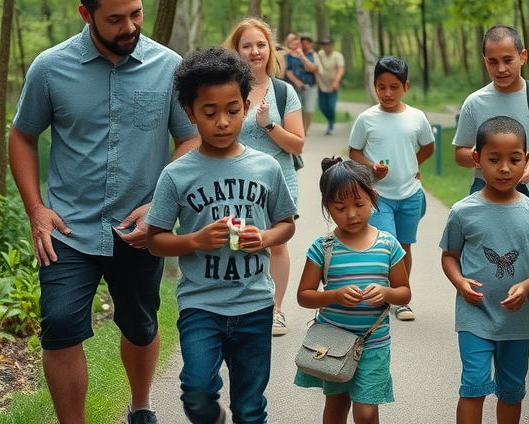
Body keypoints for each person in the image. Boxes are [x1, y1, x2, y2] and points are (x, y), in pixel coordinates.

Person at [8, 0, 199, 424]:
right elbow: (22, 135)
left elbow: (190, 137)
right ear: (85, 13)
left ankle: (140, 407)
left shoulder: (168, 66)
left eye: (136, 12)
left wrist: (160, 204)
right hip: (68, 228)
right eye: (115, 18)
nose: (129, 25)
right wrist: (36, 209)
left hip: (139, 227)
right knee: (58, 326)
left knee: (140, 322)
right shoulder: (50, 69)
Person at [144, 46, 297, 424]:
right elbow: (155, 240)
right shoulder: (177, 174)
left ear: (246, 108)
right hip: (201, 306)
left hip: (255, 304)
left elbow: (286, 224)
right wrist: (195, 240)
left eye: (232, 110)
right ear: (190, 113)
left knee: (249, 406)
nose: (223, 122)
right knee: (196, 391)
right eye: (210, 113)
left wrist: (263, 238)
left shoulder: (265, 167)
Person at [439, 116, 529, 424]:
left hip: (516, 320)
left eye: (514, 159)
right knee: (474, 386)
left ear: (526, 160)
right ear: (477, 159)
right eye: (494, 159)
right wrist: (459, 282)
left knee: (511, 389)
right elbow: (449, 256)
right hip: (474, 315)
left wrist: (527, 286)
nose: (504, 168)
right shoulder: (463, 212)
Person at [295, 157, 411, 424]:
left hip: (374, 343)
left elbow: (404, 292)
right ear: (327, 207)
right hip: (333, 343)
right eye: (339, 207)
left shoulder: (388, 245)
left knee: (367, 412)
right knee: (335, 409)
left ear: (373, 197)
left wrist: (386, 293)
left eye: (359, 204)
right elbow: (304, 296)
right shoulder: (323, 248)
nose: (351, 214)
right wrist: (334, 295)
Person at [221, 18, 305, 337]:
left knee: (277, 245)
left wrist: (269, 124)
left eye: (261, 44)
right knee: (235, 242)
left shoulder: (283, 92)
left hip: (277, 181)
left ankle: (276, 311)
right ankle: (239, 308)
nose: (255, 51)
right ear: (237, 50)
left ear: (270, 49)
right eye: (247, 46)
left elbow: (297, 143)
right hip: (234, 181)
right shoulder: (227, 88)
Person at [348, 56, 434, 321]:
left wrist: (412, 164)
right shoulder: (366, 119)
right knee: (389, 244)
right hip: (379, 195)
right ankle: (381, 295)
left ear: (405, 86)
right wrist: (371, 169)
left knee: (404, 246)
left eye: (394, 87)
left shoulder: (416, 117)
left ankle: (401, 299)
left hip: (410, 194)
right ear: (374, 86)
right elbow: (354, 152)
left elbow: (428, 146)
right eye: (381, 86)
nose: (387, 93)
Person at [453, 24, 529, 196]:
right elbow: (460, 154)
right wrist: (486, 160)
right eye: (493, 62)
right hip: (485, 191)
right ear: (485, 61)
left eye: (508, 60)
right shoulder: (474, 102)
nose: (501, 69)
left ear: (522, 57)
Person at [283, 32, 320, 135]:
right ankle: (300, 130)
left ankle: (306, 128)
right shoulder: (287, 56)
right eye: (291, 41)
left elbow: (312, 68)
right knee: (298, 109)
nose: (294, 42)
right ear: (287, 43)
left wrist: (302, 56)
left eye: (295, 39)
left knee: (309, 109)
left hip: (310, 85)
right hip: (295, 87)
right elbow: (287, 71)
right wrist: (296, 81)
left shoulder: (308, 54)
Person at [315, 37, 345, 135]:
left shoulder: (337, 56)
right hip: (322, 84)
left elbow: (340, 70)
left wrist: (336, 81)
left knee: (331, 106)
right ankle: (331, 119)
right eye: (324, 45)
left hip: (333, 84)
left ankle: (331, 124)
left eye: (328, 45)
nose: (326, 47)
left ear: (332, 46)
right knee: (322, 107)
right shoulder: (320, 55)